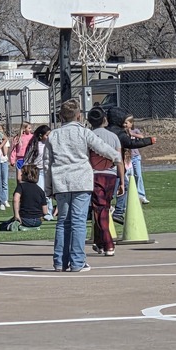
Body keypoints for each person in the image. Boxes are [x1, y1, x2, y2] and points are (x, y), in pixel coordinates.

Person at [43, 98, 123, 273]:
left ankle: (60, 262)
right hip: (81, 180)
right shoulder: (84, 132)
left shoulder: (53, 135)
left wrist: (48, 188)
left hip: (61, 181)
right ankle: (77, 262)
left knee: (63, 222)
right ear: (79, 116)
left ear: (60, 116)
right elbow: (102, 147)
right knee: (78, 222)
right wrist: (117, 158)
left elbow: (47, 163)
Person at [105, 106, 156, 223]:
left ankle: (111, 209)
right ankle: (117, 211)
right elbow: (131, 143)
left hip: (102, 165)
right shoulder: (119, 133)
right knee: (120, 187)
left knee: (113, 188)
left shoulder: (104, 131)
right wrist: (149, 140)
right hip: (114, 167)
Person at [86, 106, 122, 257]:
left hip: (96, 175)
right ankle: (99, 242)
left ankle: (108, 243)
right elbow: (119, 159)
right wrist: (122, 181)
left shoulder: (88, 135)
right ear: (105, 119)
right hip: (111, 175)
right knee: (102, 208)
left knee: (100, 209)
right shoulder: (113, 137)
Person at [0, 164, 49, 230]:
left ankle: (18, 226)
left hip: (24, 219)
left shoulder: (21, 186)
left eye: (22, 173)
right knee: (31, 223)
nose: (21, 175)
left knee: (2, 226)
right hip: (38, 221)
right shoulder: (40, 190)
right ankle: (31, 228)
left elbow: (16, 199)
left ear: (26, 175)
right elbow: (45, 211)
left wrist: (16, 215)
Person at [23, 124, 55, 219]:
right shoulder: (35, 145)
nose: (49, 137)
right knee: (41, 192)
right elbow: (28, 159)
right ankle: (40, 212)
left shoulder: (50, 145)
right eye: (47, 135)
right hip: (38, 171)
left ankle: (49, 212)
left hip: (48, 171)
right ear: (41, 136)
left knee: (48, 192)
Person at [124, 115, 150, 204]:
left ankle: (141, 195)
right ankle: (129, 196)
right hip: (127, 158)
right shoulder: (122, 132)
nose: (125, 125)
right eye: (124, 123)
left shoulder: (135, 131)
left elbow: (142, 137)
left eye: (126, 123)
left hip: (135, 157)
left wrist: (132, 134)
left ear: (131, 123)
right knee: (127, 177)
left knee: (138, 175)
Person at [0, 121, 11, 209]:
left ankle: (5, 199)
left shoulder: (6, 141)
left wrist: (2, 143)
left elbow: (5, 153)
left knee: (4, 181)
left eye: (1, 131)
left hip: (4, 162)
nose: (0, 132)